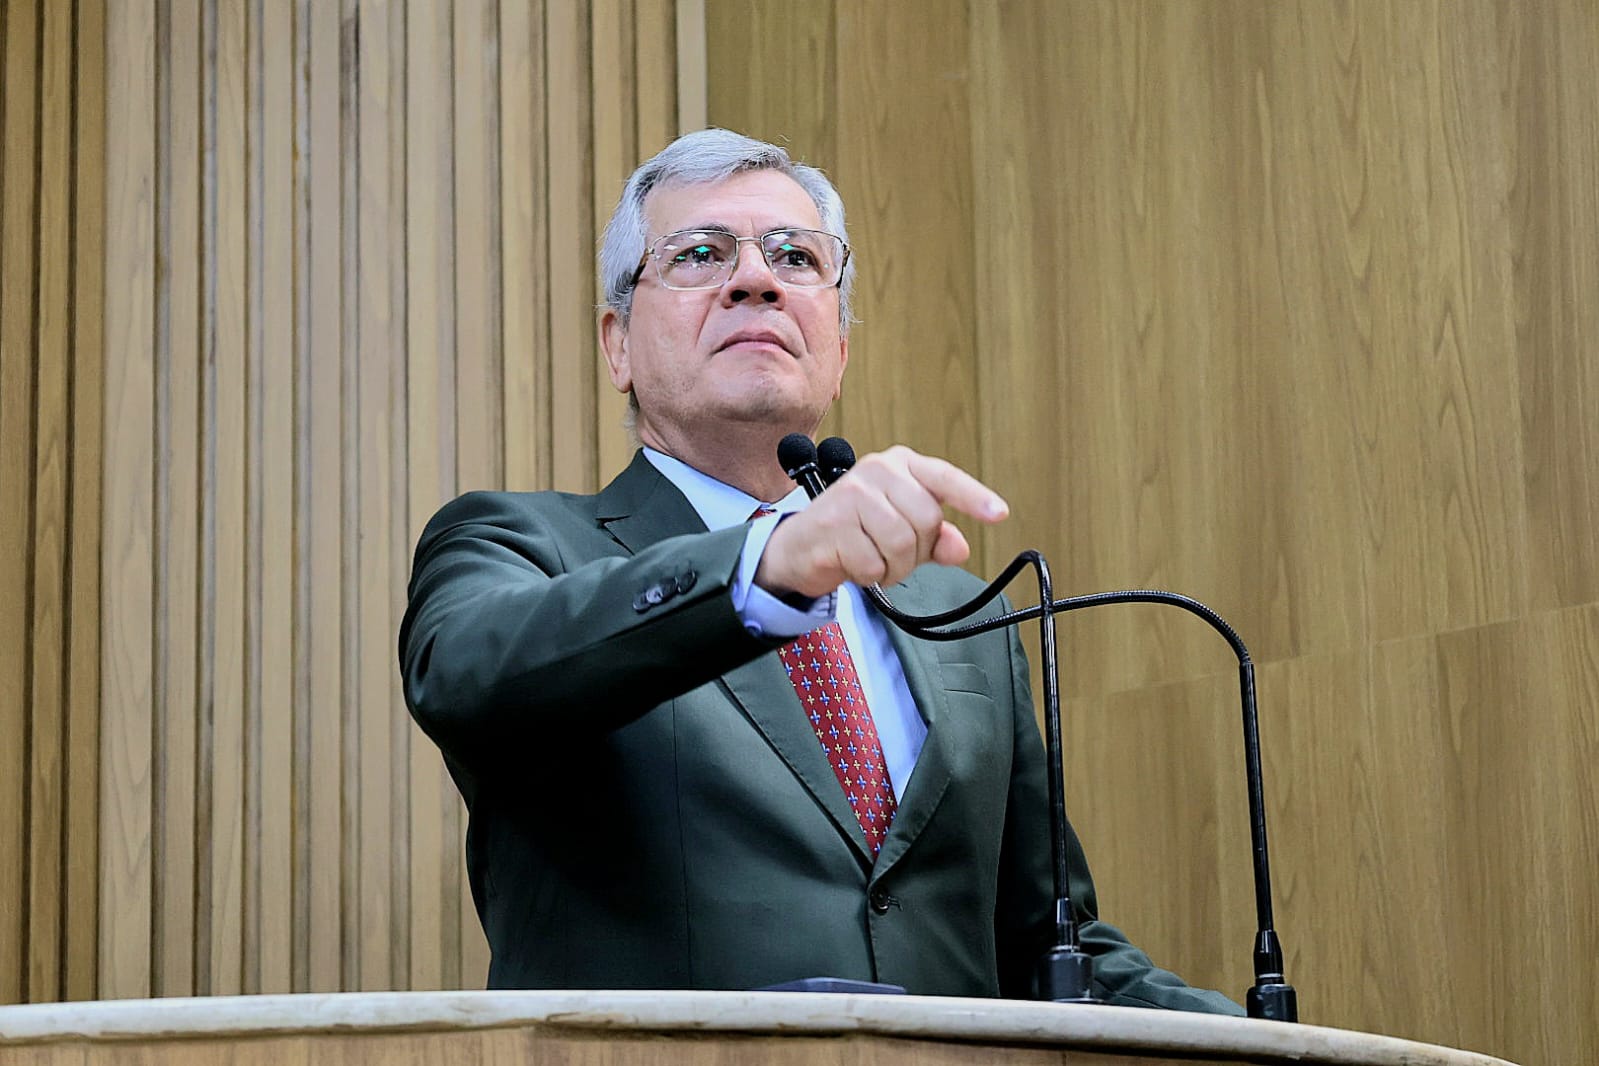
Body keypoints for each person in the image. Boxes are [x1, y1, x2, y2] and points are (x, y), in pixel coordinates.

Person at [399, 128, 1241, 1013]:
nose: (755, 279)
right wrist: (766, 563)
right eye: (699, 254)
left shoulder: (961, 613)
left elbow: (1046, 948)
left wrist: (1274, 1049)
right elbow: (465, 673)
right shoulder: (519, 542)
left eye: (795, 257)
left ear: (836, 349)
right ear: (619, 346)